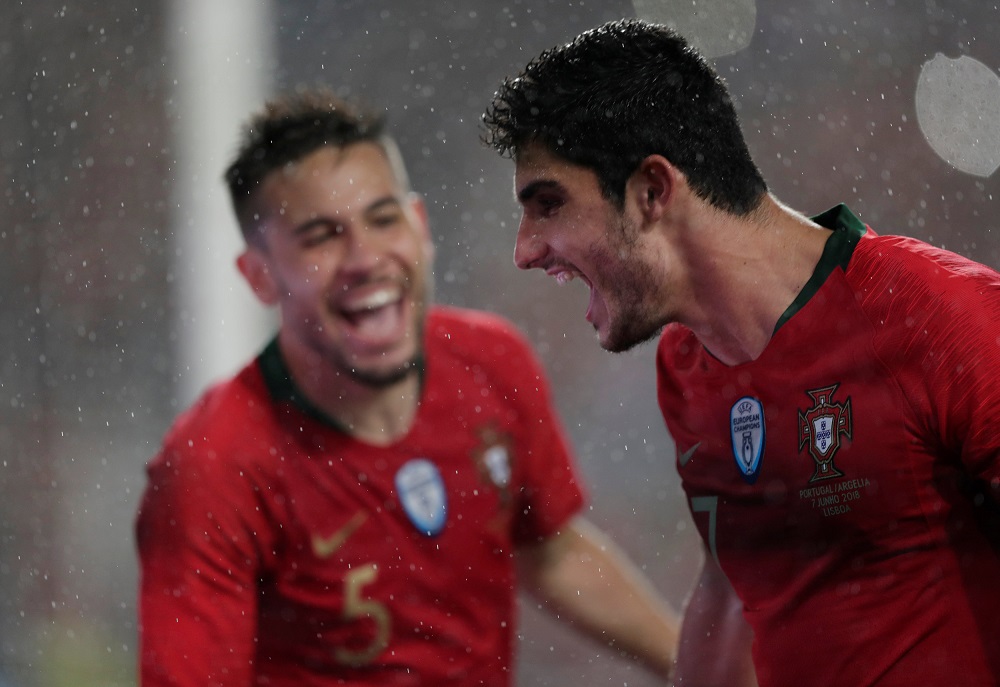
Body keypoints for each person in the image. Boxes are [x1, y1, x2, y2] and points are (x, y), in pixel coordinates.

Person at [482, 17, 1000, 687]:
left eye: (548, 203)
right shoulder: (687, 367)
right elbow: (731, 592)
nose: (525, 249)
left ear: (652, 191)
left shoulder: (943, 316)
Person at [135, 89, 679, 686]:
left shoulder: (492, 364)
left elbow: (552, 552)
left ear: (419, 226)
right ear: (260, 276)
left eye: (383, 218)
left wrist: (706, 666)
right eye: (322, 236)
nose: (365, 258)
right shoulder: (214, 467)